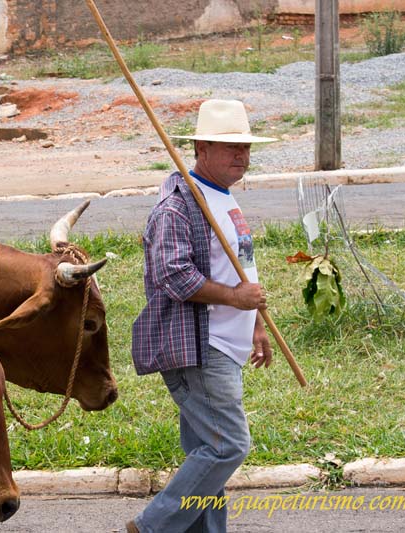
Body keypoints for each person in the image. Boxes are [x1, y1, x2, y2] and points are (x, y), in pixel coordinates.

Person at [128, 99, 277, 533]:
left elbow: (243, 267)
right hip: (200, 347)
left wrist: (257, 324)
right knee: (228, 446)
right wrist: (234, 299)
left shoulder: (223, 199)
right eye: (229, 147)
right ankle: (150, 527)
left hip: (227, 343)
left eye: (245, 148)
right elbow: (173, 276)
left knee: (206, 454)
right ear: (200, 148)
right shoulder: (177, 207)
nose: (241, 156)